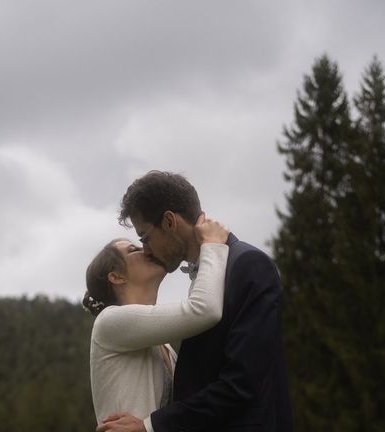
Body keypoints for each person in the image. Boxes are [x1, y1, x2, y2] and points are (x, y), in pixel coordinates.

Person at [97, 171, 293, 432]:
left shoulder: (247, 264)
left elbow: (242, 384)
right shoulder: (208, 276)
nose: (146, 250)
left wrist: (151, 426)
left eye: (144, 237)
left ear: (168, 221)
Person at [83, 214, 230, 426]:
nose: (146, 250)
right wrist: (211, 246)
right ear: (116, 277)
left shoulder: (165, 348)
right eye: (134, 250)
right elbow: (204, 309)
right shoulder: (109, 322)